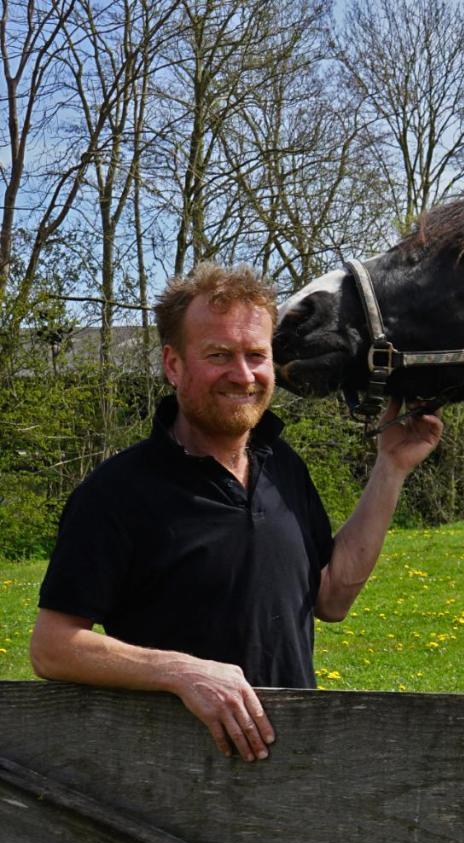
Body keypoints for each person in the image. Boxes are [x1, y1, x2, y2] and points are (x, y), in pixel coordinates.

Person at [29, 263, 442, 763]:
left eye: (256, 356)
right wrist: (183, 672)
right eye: (219, 355)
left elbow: (330, 598)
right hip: (169, 775)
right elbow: (53, 647)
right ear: (174, 365)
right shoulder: (116, 493)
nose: (243, 375)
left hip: (293, 764)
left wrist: (390, 468)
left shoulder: (284, 467)